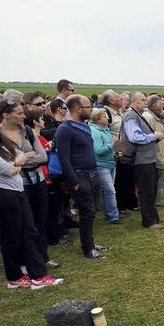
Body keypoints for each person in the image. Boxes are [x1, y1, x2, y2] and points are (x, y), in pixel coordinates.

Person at [0, 104, 64, 289]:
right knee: (13, 236)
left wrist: (18, 161)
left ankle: (32, 275)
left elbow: (21, 155)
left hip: (16, 190)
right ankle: (19, 277)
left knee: (27, 231)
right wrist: (17, 162)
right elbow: (8, 168)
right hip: (2, 193)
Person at [0, 99, 56, 269]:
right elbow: (2, 162)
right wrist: (25, 158)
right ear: (6, 116)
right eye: (19, 113)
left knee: (40, 220)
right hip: (15, 185)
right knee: (21, 224)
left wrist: (19, 160)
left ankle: (42, 256)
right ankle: (23, 260)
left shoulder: (28, 131)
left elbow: (43, 157)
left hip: (37, 181)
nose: (24, 115)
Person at [54, 95, 107, 259]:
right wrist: (74, 182)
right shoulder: (65, 129)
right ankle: (88, 249)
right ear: (77, 108)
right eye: (87, 107)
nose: (90, 110)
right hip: (80, 175)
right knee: (86, 211)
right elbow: (63, 158)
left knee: (92, 211)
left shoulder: (83, 126)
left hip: (92, 173)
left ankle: (90, 243)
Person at [122, 92, 164, 229]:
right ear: (134, 101)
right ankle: (149, 220)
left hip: (148, 159)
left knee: (152, 189)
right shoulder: (131, 116)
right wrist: (153, 136)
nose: (145, 102)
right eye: (142, 100)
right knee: (146, 191)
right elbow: (134, 137)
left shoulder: (138, 114)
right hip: (140, 160)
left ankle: (154, 216)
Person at [88, 108, 119, 224]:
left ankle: (110, 213)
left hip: (110, 163)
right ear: (99, 119)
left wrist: (115, 151)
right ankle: (113, 216)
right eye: (105, 116)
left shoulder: (104, 129)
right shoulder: (95, 132)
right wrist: (112, 144)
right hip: (101, 165)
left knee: (109, 191)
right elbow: (98, 150)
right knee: (110, 191)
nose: (107, 118)